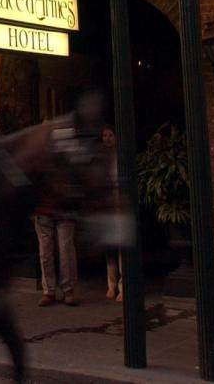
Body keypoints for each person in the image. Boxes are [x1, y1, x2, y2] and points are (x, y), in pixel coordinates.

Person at [102, 125, 122, 302]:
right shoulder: (100, 159)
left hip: (119, 205)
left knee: (122, 246)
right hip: (106, 206)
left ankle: (124, 286)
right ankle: (111, 285)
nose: (107, 138)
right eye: (105, 135)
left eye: (110, 135)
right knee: (109, 248)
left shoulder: (120, 157)